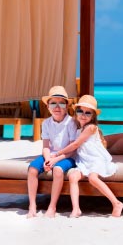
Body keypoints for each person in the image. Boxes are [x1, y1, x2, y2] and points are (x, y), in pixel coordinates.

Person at [56, 95, 123, 218]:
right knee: (72, 176)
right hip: (84, 162)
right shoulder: (78, 129)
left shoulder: (91, 127)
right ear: (76, 112)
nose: (83, 114)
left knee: (93, 178)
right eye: (80, 111)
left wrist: (58, 153)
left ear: (93, 116)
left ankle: (116, 203)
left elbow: (76, 144)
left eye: (88, 113)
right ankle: (76, 209)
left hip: (95, 160)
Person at [27, 85, 78, 218]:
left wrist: (55, 160)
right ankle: (32, 205)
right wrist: (48, 158)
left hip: (67, 156)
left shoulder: (71, 123)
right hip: (52, 154)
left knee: (57, 170)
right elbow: (45, 146)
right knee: (32, 169)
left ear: (67, 106)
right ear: (48, 107)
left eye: (61, 103)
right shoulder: (46, 123)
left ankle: (52, 206)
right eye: (53, 103)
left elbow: (72, 149)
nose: (57, 107)